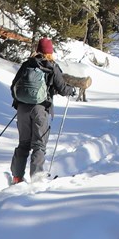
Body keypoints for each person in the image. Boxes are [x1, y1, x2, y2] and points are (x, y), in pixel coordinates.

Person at [9, 37, 75, 183]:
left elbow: (13, 86)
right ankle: (36, 179)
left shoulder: (27, 64)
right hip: (41, 110)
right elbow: (62, 89)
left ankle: (17, 177)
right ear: (50, 52)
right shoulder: (52, 66)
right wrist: (72, 91)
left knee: (23, 144)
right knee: (39, 144)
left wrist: (21, 102)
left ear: (37, 50)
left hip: (22, 110)